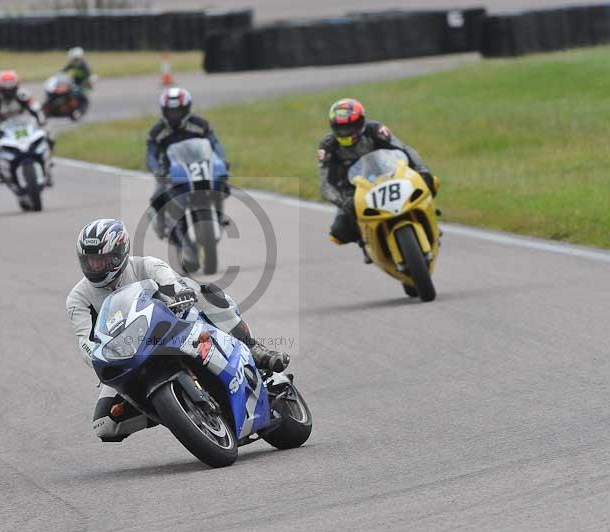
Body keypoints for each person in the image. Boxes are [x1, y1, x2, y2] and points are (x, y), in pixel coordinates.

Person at [66, 218, 290, 442]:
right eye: (89, 261)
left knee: (202, 291)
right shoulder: (78, 298)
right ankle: (168, 409)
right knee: (105, 425)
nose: (94, 267)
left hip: (167, 329)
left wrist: (179, 294)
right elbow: (85, 341)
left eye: (101, 260)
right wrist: (99, 358)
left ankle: (254, 348)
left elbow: (172, 285)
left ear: (119, 253)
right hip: (126, 355)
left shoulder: (146, 265)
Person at [317, 98, 438, 260]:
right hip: (352, 191)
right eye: (341, 128)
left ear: (361, 122)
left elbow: (403, 149)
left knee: (430, 182)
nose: (346, 132)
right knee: (339, 231)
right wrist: (342, 201)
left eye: (350, 126)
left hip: (389, 176)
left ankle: (427, 215)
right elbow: (326, 184)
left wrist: (421, 169)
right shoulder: (328, 146)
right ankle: (366, 241)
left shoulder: (375, 130)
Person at [145, 87, 227, 238]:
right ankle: (162, 224)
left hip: (199, 165)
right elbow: (150, 154)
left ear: (187, 109)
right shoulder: (157, 131)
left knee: (222, 183)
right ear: (164, 111)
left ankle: (219, 215)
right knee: (157, 197)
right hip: (170, 170)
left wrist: (221, 160)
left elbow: (214, 144)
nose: (174, 115)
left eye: (178, 111)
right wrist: (156, 169)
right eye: (170, 111)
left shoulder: (200, 124)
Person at [0, 70, 50, 183]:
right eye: (5, 89)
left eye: (11, 89)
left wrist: (43, 125)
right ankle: (3, 174)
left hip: (24, 126)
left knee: (48, 138)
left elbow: (36, 110)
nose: (8, 92)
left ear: (16, 86)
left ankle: (47, 166)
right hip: (4, 131)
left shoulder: (23, 95)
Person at [62, 47, 92, 118]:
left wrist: (82, 86)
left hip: (84, 84)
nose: (73, 61)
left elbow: (88, 78)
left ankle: (80, 112)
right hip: (75, 83)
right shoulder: (73, 63)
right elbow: (65, 69)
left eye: (75, 59)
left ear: (79, 58)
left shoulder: (85, 65)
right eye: (73, 59)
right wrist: (59, 73)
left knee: (83, 97)